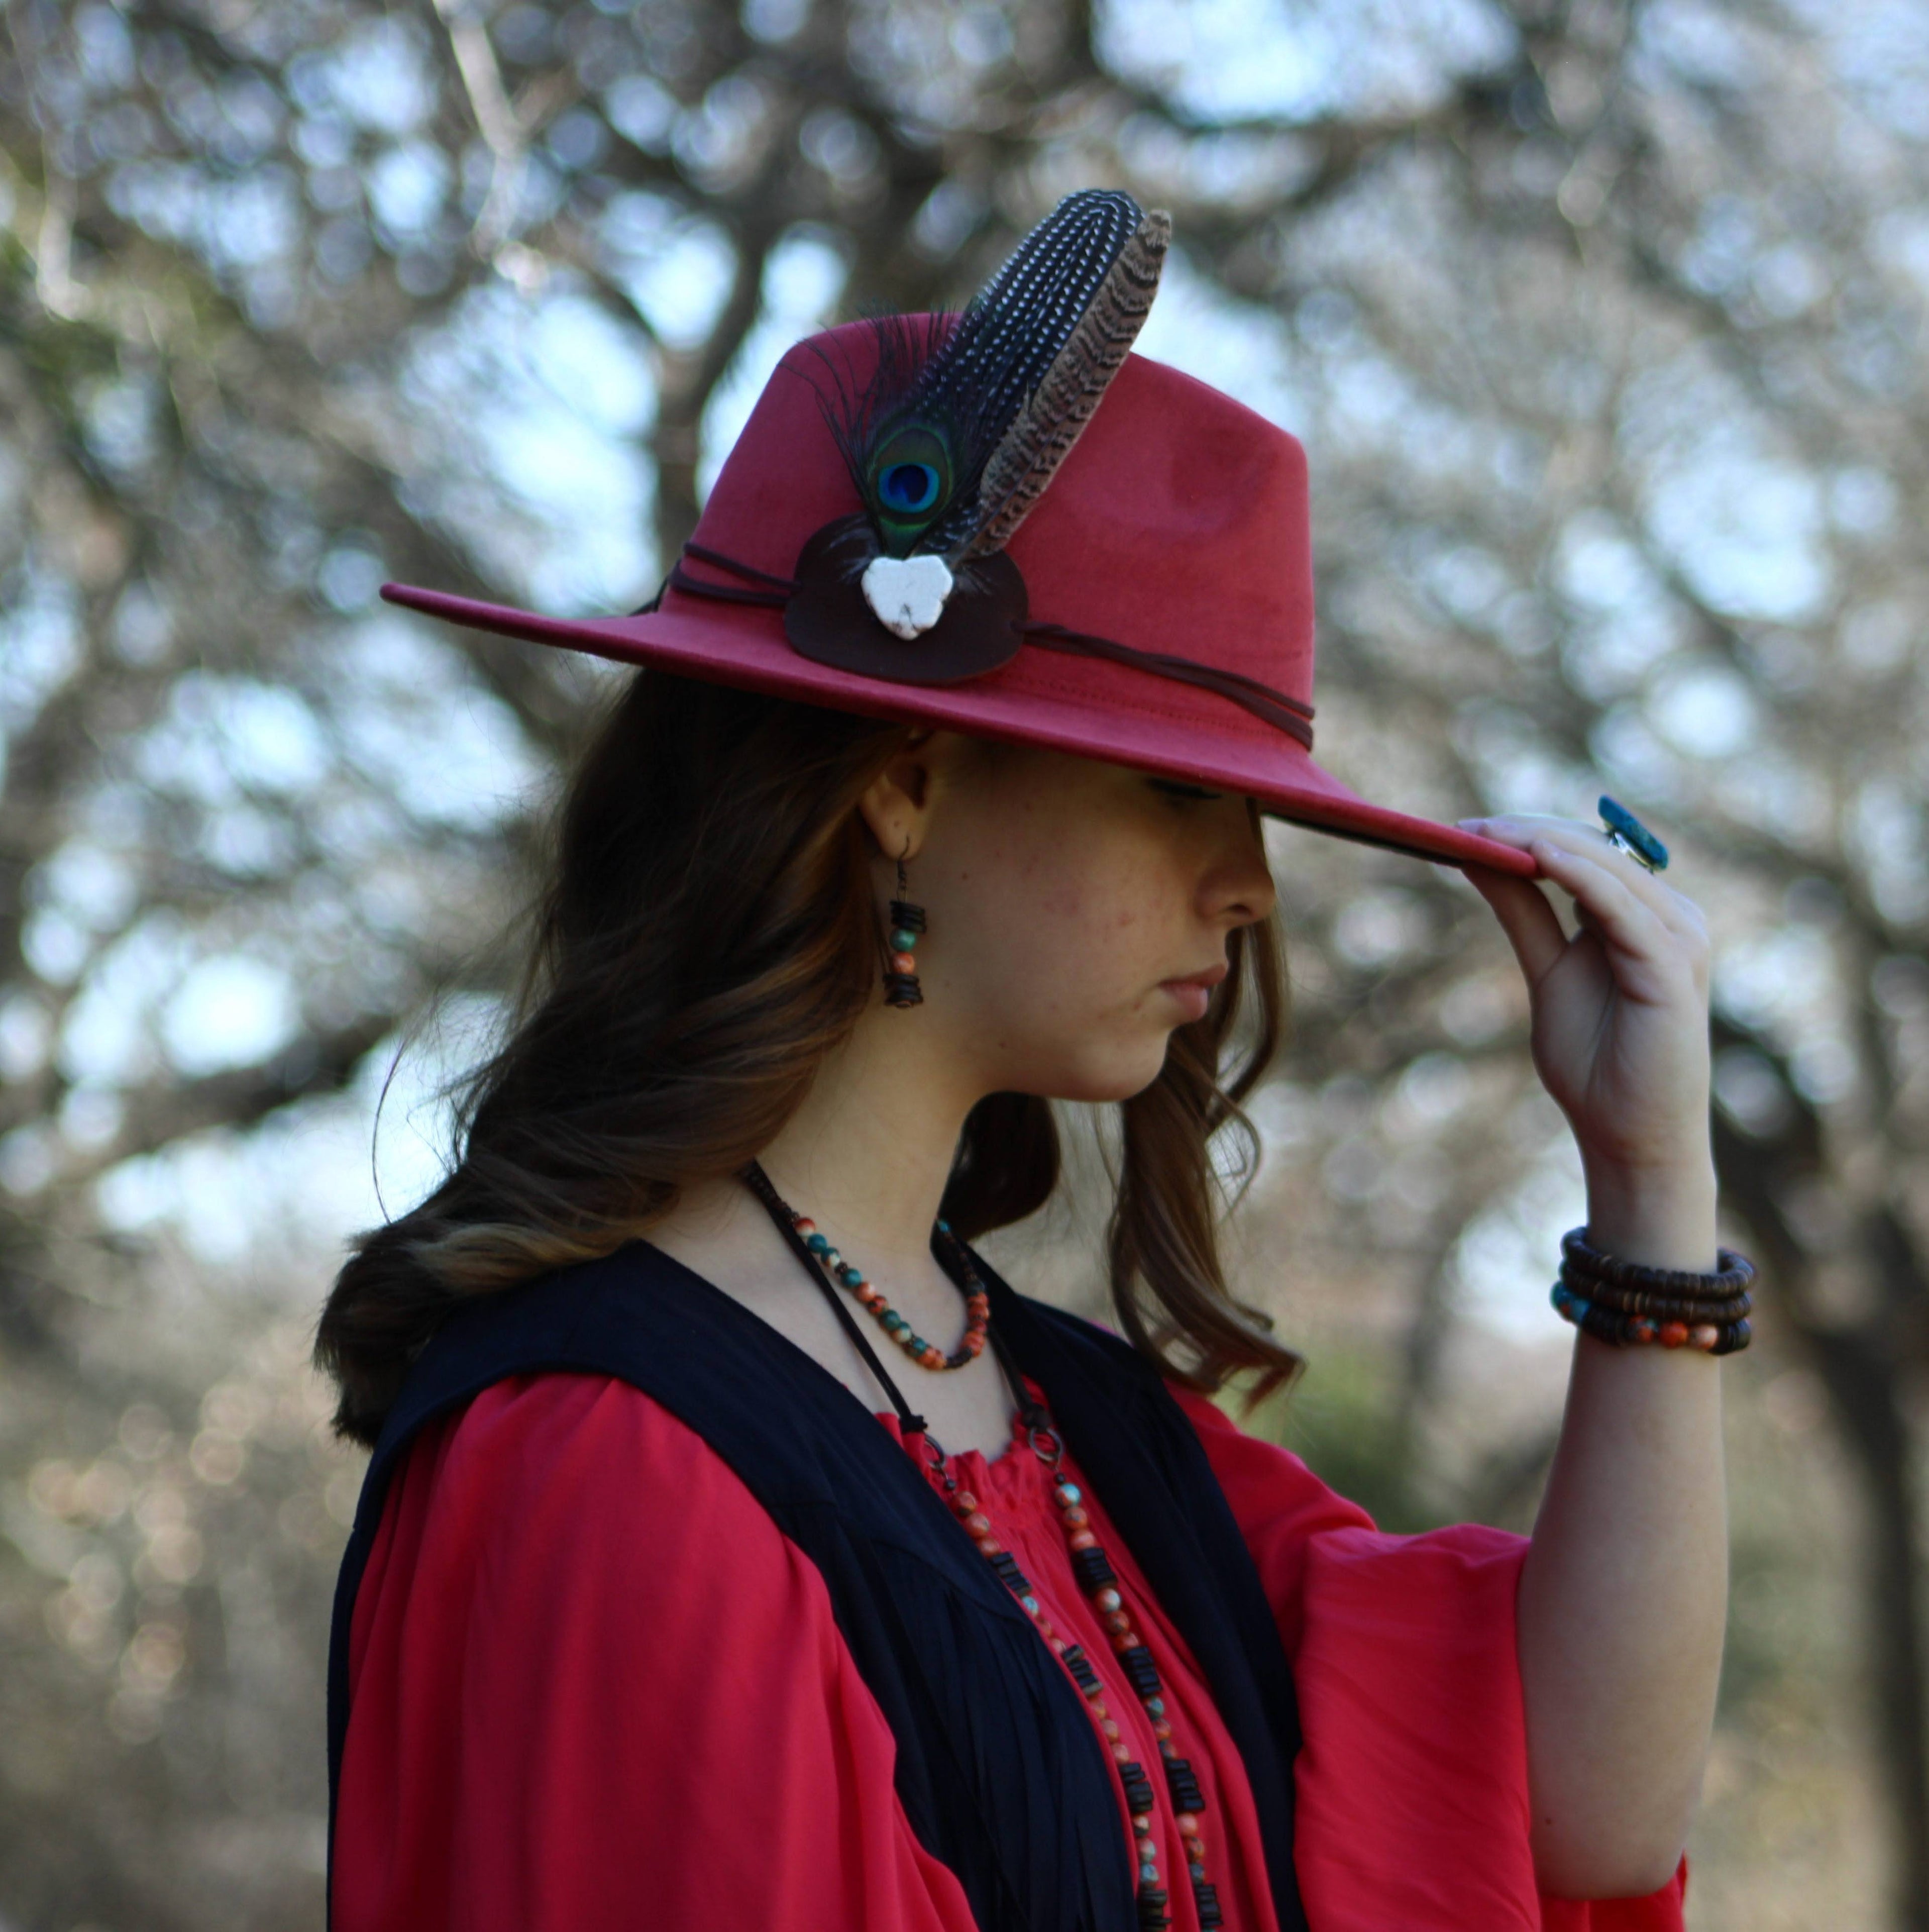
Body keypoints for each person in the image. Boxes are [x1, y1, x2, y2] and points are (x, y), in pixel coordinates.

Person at [317, 191, 1738, 1931]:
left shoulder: (1080, 1432)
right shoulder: (608, 1461)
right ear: (904, 784)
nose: (1250, 884)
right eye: (1179, 791)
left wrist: (1650, 1178)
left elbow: (1578, 1808)